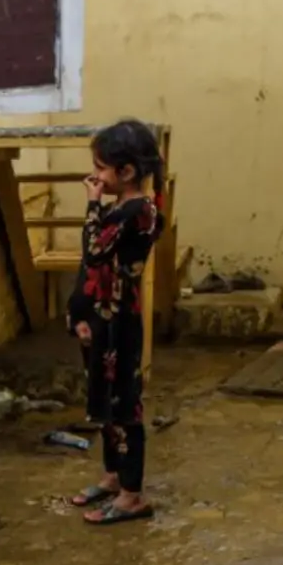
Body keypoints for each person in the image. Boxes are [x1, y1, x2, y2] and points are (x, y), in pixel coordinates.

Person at [66, 119, 164, 525]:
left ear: (126, 172)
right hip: (103, 319)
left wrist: (91, 204)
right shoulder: (119, 208)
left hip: (122, 322)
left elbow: (93, 251)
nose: (96, 176)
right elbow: (90, 271)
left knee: (126, 405)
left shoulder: (140, 211)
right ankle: (112, 476)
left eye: (102, 168)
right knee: (105, 403)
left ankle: (132, 494)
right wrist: (78, 313)